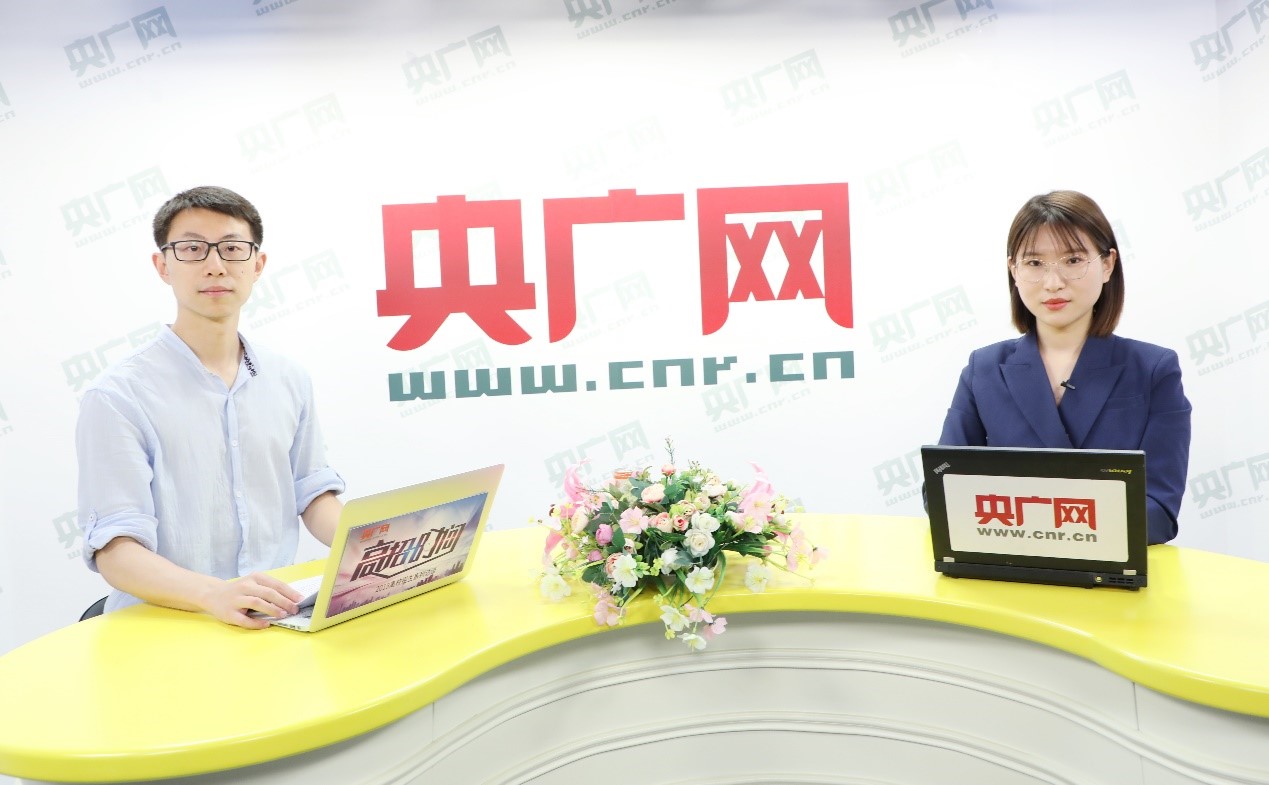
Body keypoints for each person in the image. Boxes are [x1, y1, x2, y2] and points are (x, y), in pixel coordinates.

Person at [76, 185, 346, 628]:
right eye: (192, 249)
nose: (215, 265)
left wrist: (374, 549)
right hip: (164, 627)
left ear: (257, 265)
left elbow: (313, 493)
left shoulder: (288, 378)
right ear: (162, 266)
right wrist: (213, 595)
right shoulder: (118, 395)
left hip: (271, 619)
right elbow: (116, 551)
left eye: (232, 249)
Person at [937, 190, 1191, 544]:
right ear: (1014, 270)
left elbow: (1159, 509)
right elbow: (943, 488)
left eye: (1073, 260)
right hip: (1007, 568)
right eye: (1034, 263)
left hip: (1109, 571)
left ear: (1107, 264)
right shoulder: (984, 369)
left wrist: (1040, 524)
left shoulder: (1153, 370)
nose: (1053, 282)